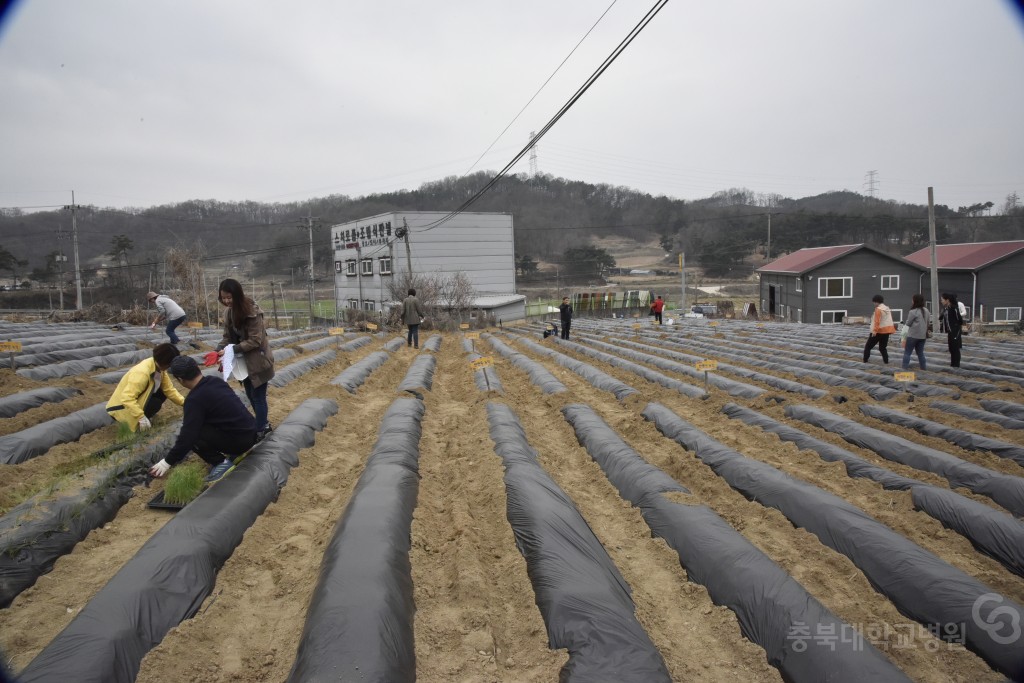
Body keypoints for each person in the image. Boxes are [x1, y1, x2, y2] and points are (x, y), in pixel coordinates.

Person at [148, 356, 257, 482]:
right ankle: (236, 452)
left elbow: (188, 437)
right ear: (197, 369)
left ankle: (220, 463)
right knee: (202, 423)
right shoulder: (216, 381)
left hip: (240, 443)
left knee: (193, 434)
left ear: (180, 380)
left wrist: (166, 462)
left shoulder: (194, 400)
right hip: (251, 434)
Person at [216, 278, 275, 440]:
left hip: (258, 361)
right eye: (224, 298)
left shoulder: (252, 312)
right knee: (250, 394)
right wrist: (218, 350)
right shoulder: (228, 312)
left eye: (229, 297)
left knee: (258, 396)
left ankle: (261, 429)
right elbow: (227, 337)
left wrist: (231, 350)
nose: (227, 301)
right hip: (243, 363)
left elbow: (255, 340)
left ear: (238, 295)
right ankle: (264, 424)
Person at [106, 343, 185, 432]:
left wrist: (185, 403)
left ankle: (145, 416)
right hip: (120, 408)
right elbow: (127, 398)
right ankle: (137, 423)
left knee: (162, 392)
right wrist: (141, 417)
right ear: (165, 362)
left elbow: (169, 390)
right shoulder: (142, 373)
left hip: (134, 401)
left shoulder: (158, 368)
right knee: (155, 402)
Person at [863, 294, 897, 364]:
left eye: (874, 302)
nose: (873, 304)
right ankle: (886, 362)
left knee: (868, 347)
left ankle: (865, 361)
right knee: (882, 348)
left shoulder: (878, 309)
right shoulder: (887, 309)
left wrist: (874, 332)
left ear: (876, 302)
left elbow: (877, 322)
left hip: (878, 331)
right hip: (887, 331)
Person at [901, 293, 930, 371]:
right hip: (922, 336)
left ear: (914, 301)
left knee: (907, 353)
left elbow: (908, 323)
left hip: (913, 336)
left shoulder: (913, 311)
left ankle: (904, 369)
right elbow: (928, 322)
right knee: (920, 353)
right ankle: (923, 369)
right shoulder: (926, 310)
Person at [940, 292, 964, 368]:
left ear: (947, 300)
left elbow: (960, 320)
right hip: (950, 331)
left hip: (955, 331)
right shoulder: (946, 308)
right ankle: (952, 364)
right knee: (951, 348)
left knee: (955, 348)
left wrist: (956, 327)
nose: (941, 301)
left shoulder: (954, 308)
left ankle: (956, 365)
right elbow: (941, 318)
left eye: (942, 300)